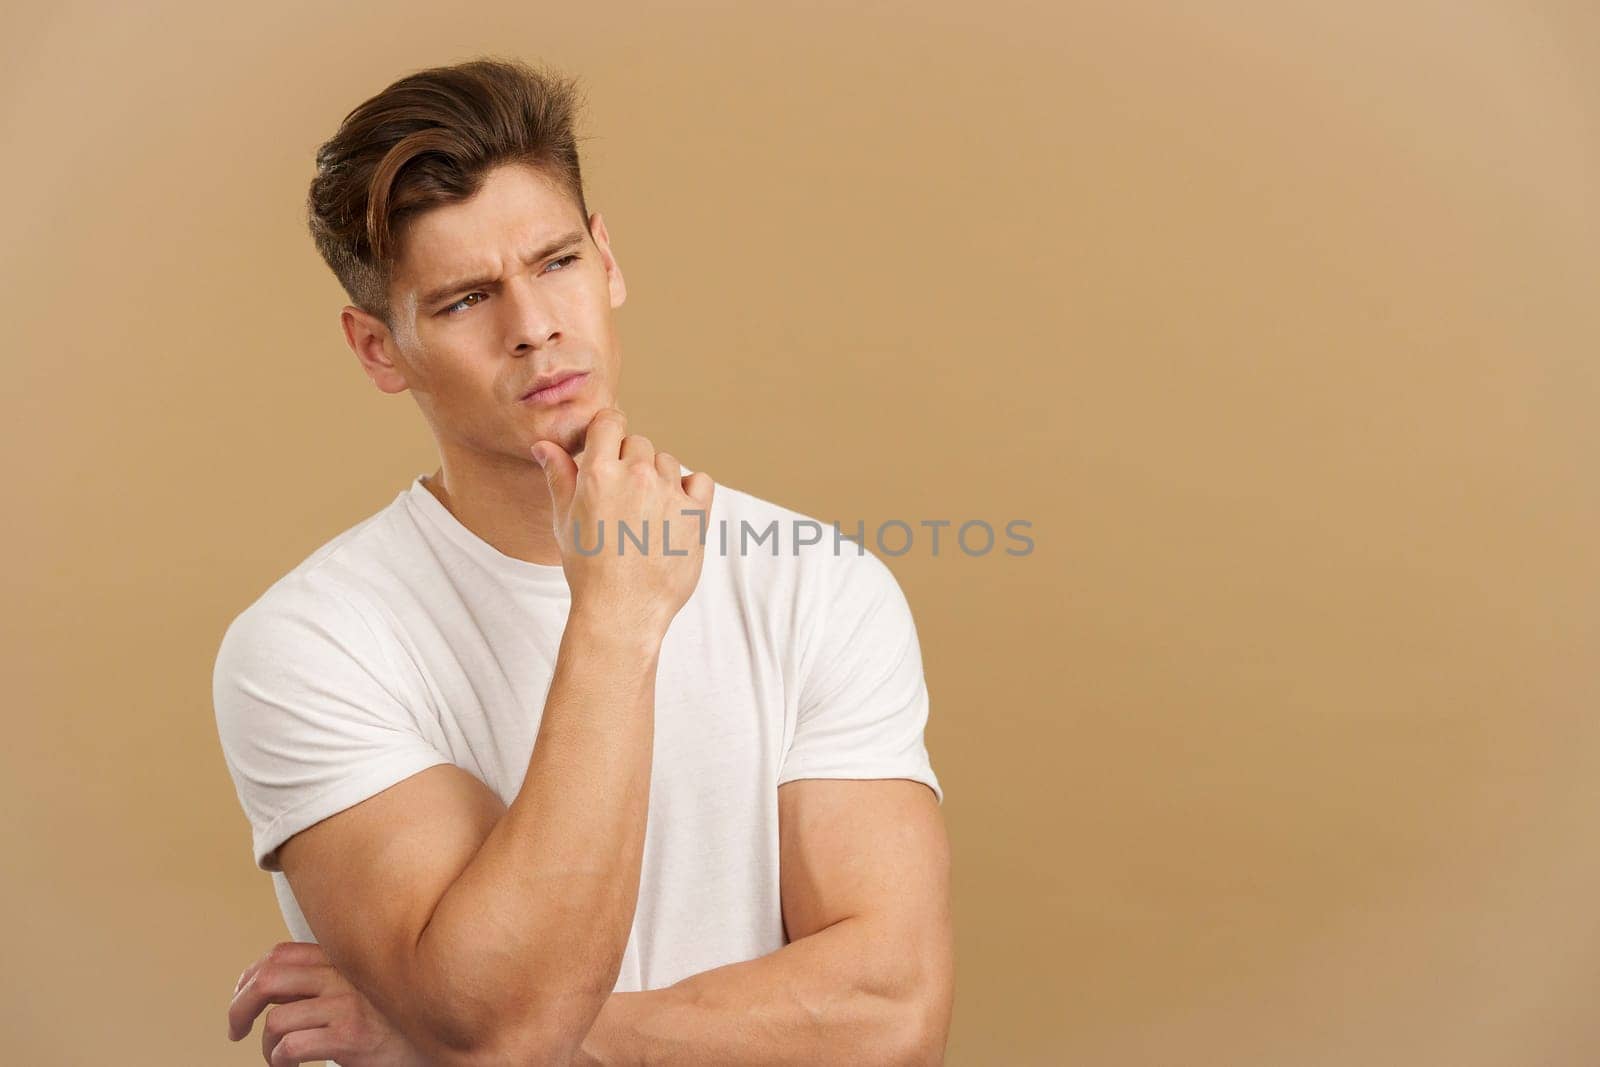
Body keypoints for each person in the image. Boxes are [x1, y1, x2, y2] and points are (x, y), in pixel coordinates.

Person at [213, 56, 953, 1066]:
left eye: (555, 263)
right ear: (378, 347)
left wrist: (435, 1031)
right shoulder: (309, 644)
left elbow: (890, 1016)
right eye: (467, 299)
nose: (535, 328)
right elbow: (501, 1018)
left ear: (606, 261)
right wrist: (617, 612)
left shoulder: (820, 584)